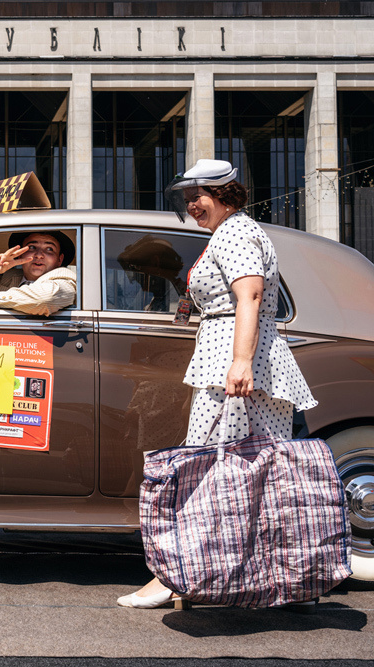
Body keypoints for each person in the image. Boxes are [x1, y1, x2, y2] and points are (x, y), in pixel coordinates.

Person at [117, 159, 317, 609]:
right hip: (231, 352)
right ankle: (264, 578)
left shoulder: (236, 233)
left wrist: (241, 361)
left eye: (200, 195)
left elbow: (250, 294)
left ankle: (173, 577)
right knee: (251, 470)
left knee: (206, 467)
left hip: (234, 356)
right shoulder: (231, 232)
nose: (192, 204)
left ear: (226, 194)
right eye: (187, 197)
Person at [0, 230, 77, 316]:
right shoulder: (8, 279)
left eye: (49, 249)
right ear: (20, 255)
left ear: (59, 259)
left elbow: (46, 299)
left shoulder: (65, 277)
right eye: (32, 247)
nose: (39, 255)